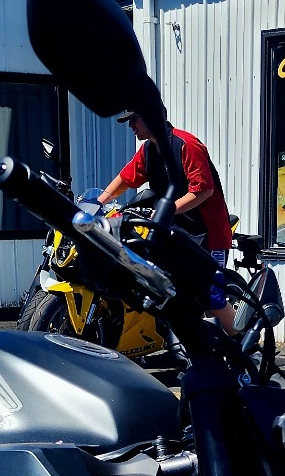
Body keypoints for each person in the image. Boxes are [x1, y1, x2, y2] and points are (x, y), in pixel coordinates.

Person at [99, 113, 237, 330]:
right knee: (167, 293)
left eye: (134, 119)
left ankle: (248, 349)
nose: (131, 125)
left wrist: (167, 210)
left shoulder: (187, 145)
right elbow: (125, 179)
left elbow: (204, 190)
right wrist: (99, 203)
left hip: (208, 235)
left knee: (213, 299)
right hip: (173, 234)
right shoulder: (148, 151)